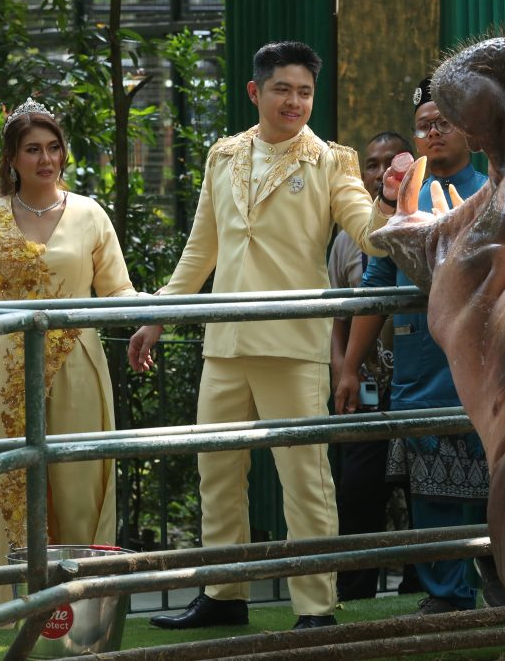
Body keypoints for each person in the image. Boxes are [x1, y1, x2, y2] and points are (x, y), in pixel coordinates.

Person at [127, 41, 395, 631]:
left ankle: (315, 607)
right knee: (216, 472)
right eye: (283, 89)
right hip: (224, 342)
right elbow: (201, 249)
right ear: (256, 92)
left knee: (304, 478)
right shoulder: (223, 156)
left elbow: (369, 234)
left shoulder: (331, 161)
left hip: (293, 343)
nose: (294, 101)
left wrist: (394, 205)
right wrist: (159, 316)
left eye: (304, 91)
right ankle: (224, 594)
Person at [0, 98, 139, 609]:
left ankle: (81, 609)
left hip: (78, 365)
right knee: (7, 490)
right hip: (2, 373)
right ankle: (4, 612)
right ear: (11, 158)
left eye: (53, 147)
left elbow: (118, 291)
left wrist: (153, 315)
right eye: (32, 149)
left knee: (79, 483)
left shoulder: (88, 213)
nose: (45, 159)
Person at [335, 77, 492, 615]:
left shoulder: (494, 191)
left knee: (501, 488)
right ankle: (447, 597)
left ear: (468, 130)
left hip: (488, 368)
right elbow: (375, 283)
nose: (433, 132)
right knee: (431, 493)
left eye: (444, 122)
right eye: (425, 124)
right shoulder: (402, 201)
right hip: (420, 368)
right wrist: (350, 367)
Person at [328, 131, 420, 601]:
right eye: (372, 164)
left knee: (415, 483)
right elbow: (337, 319)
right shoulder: (346, 240)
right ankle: (354, 588)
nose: (382, 171)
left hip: (412, 381)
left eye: (392, 161)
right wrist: (343, 370)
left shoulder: (422, 223)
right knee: (358, 488)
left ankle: (421, 585)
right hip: (362, 387)